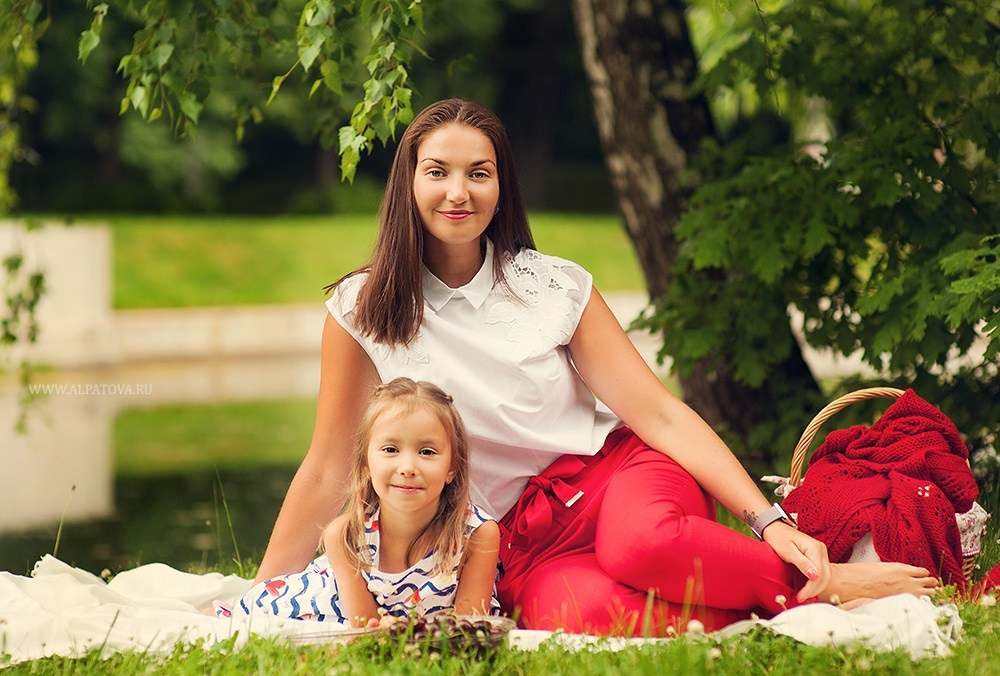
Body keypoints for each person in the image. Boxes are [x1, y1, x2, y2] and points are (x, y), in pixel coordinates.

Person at [253, 98, 939, 634]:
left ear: (502, 185)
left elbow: (659, 411)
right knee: (573, 617)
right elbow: (324, 467)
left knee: (640, 547)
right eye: (437, 172)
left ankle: (820, 580)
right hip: (512, 542)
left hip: (617, 481)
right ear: (407, 183)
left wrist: (770, 520)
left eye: (478, 173)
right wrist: (260, 596)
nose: (457, 192)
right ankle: (798, 600)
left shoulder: (554, 285)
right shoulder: (361, 307)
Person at [231, 377, 500, 625]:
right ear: (366, 465)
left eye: (427, 452)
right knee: (244, 615)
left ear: (452, 467)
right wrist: (386, 631)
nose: (407, 467)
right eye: (390, 450)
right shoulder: (345, 535)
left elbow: (469, 625)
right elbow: (364, 628)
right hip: (319, 605)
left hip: (414, 630)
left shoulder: (477, 534)